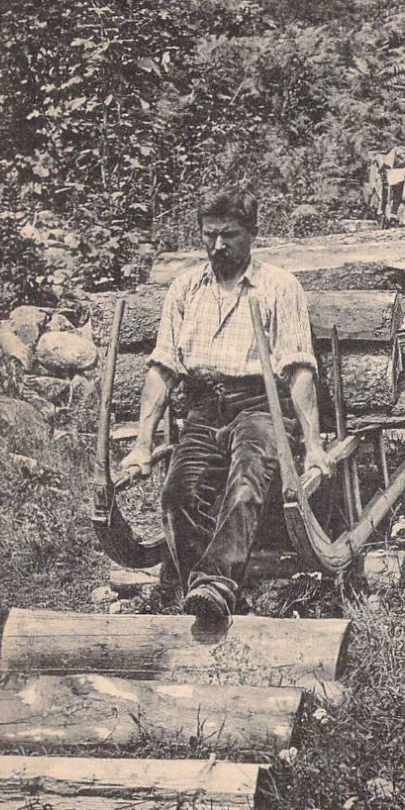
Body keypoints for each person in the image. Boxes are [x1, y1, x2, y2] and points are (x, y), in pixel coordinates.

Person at [119, 188, 330, 625]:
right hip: (203, 408)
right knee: (177, 495)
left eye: (229, 235)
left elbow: (299, 370)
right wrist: (142, 444)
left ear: (252, 233)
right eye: (209, 235)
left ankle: (213, 586)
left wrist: (312, 444)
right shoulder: (185, 288)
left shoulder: (279, 287)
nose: (218, 246)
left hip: (260, 405)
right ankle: (207, 591)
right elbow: (162, 369)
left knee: (246, 484)